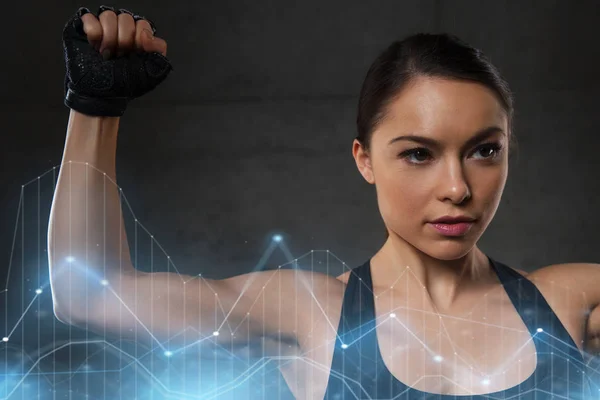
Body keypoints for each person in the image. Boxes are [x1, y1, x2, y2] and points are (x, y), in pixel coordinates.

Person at [48, 5, 599, 399]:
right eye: (417, 154)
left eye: (483, 150)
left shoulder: (568, 300)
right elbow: (85, 293)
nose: (456, 188)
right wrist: (98, 104)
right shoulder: (312, 317)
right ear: (365, 159)